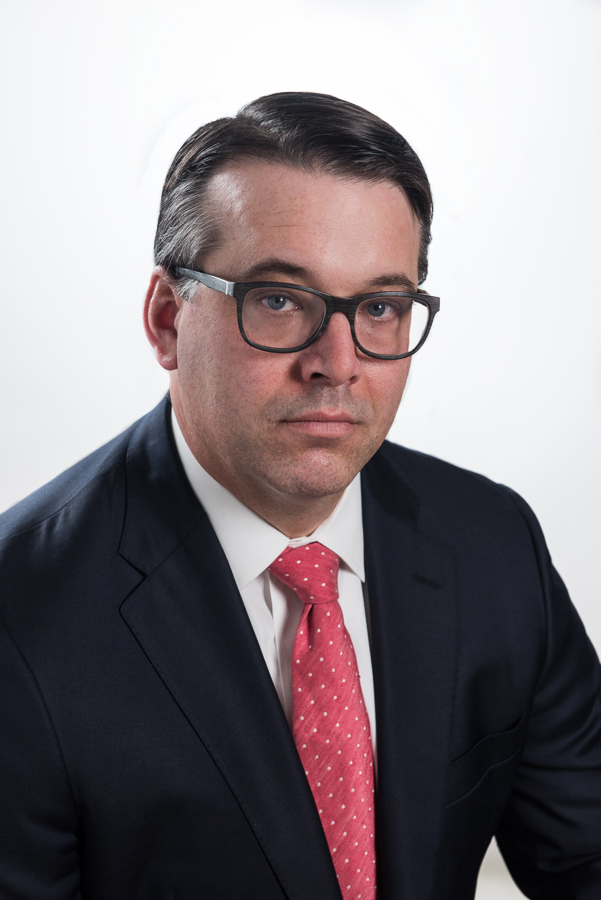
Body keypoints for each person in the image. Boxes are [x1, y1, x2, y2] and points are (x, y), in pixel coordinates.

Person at [1, 92, 600, 900]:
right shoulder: (21, 614)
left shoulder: (492, 543)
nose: (336, 363)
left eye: (379, 308)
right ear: (168, 320)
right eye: (279, 300)